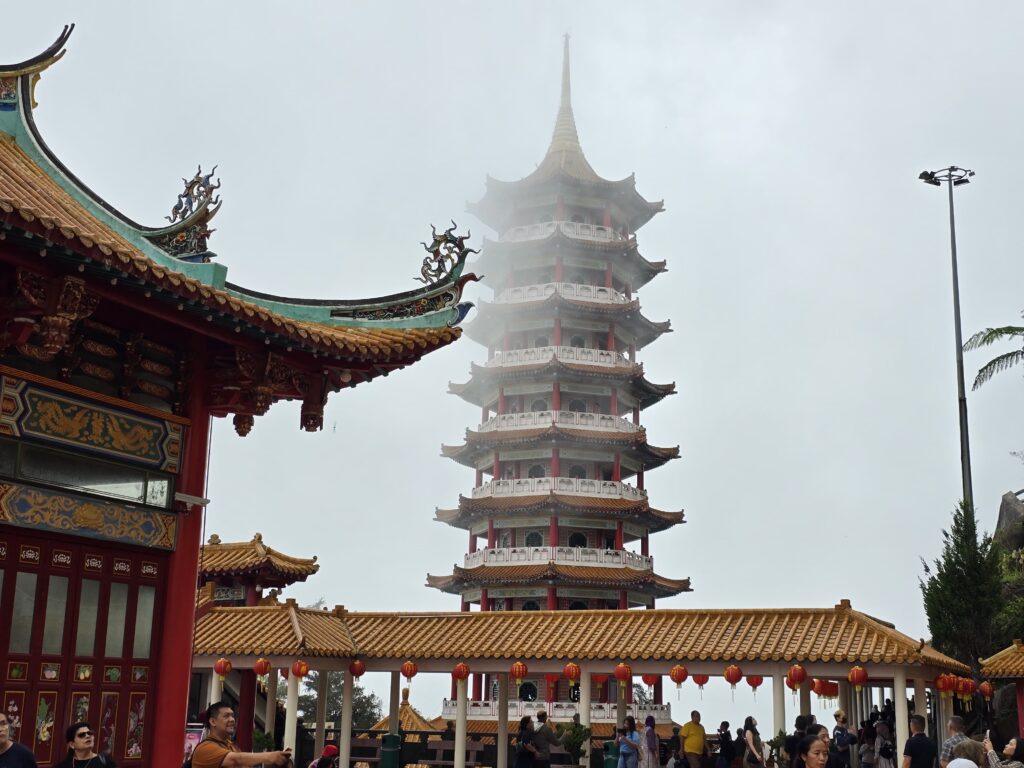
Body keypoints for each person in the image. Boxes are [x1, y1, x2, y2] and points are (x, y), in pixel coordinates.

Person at [190, 701, 291, 768]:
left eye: (232, 715)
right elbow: (235, 760)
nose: (232, 719)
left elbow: (243, 763)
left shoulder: (230, 745)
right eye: (226, 716)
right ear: (213, 722)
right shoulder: (205, 748)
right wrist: (270, 757)